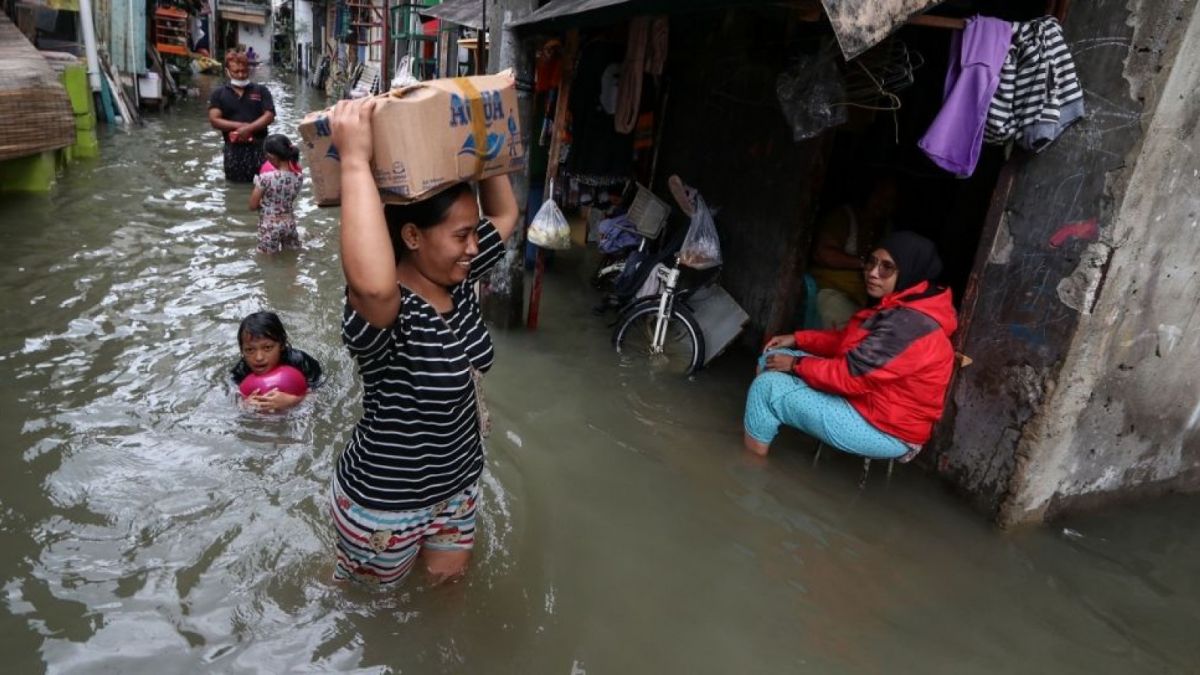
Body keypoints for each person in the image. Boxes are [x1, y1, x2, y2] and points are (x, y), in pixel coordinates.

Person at [328, 97, 520, 587]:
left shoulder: (459, 274)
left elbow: (506, 213)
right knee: (371, 613)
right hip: (384, 509)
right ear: (412, 235)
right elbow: (371, 283)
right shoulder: (386, 311)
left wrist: (482, 122)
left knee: (446, 595)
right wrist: (354, 159)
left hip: (456, 493)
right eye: (460, 235)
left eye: (472, 234)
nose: (474, 247)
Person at [744, 231, 956, 461]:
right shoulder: (903, 306)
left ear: (909, 272)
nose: (873, 273)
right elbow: (847, 342)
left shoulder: (909, 324)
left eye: (886, 267)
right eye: (871, 262)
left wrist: (796, 364)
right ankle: (762, 430)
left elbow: (848, 377)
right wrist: (798, 338)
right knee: (772, 357)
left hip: (886, 429)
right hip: (870, 402)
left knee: (766, 388)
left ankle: (750, 466)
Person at [808, 177, 898, 329]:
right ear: (868, 194)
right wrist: (864, 263)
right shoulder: (844, 217)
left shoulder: (885, 229)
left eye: (890, 200)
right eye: (880, 196)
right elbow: (822, 253)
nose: (883, 203)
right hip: (829, 290)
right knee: (848, 334)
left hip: (860, 301)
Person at [230, 311, 322, 413]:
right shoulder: (241, 370)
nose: (259, 357)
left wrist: (295, 401)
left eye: (267, 348)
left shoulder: (300, 362)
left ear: (282, 344)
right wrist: (245, 405)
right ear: (242, 350)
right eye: (250, 350)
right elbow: (235, 397)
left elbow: (320, 394)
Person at [208, 50, 275, 183]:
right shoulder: (219, 94)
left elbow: (269, 115)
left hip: (259, 148)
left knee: (262, 184)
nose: (240, 75)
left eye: (244, 71)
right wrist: (239, 127)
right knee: (234, 186)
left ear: (248, 69)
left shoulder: (261, 90)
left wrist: (249, 128)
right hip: (233, 150)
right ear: (227, 71)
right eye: (236, 72)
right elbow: (214, 120)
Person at [250, 134, 303, 254]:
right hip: (289, 223)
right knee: (291, 258)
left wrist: (262, 203)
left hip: (270, 225)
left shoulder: (265, 178)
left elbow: (252, 205)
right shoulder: (299, 177)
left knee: (266, 262)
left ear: (270, 156)